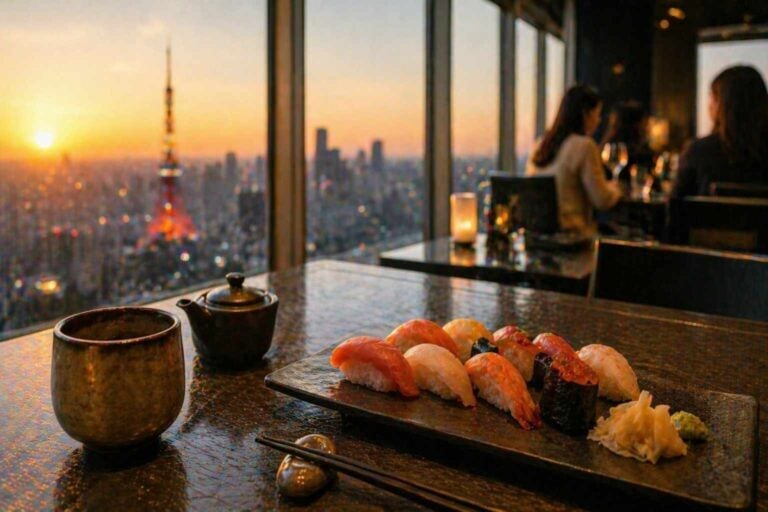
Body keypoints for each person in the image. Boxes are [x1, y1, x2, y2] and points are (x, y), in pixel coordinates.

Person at [527, 84, 621, 237]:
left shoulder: (541, 145)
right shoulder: (584, 146)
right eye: (597, 114)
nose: (598, 121)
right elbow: (602, 200)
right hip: (574, 239)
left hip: (540, 239)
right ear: (586, 114)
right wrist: (617, 189)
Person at [673, 65, 768, 197]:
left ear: (721, 104)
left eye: (712, 97)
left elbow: (675, 211)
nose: (709, 104)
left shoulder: (698, 152)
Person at [601, 100, 656, 181]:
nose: (648, 127)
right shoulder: (640, 153)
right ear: (637, 124)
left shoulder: (608, 148)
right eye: (646, 122)